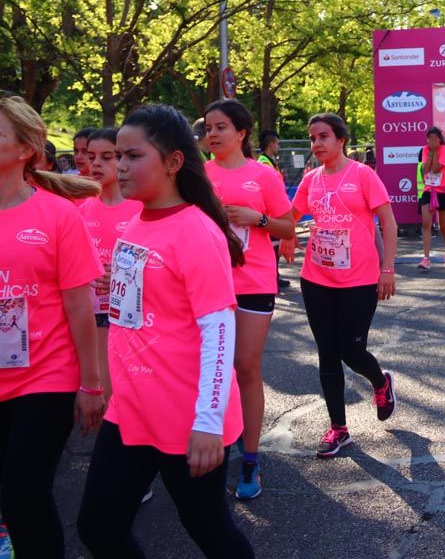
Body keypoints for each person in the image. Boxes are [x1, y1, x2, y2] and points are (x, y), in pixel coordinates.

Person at [76, 104, 255, 558]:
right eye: (117, 155)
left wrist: (208, 424)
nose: (118, 166)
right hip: (131, 410)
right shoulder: (135, 222)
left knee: (209, 530)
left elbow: (218, 330)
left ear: (173, 163)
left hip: (187, 418)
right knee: (98, 527)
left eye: (132, 156)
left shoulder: (196, 231)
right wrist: (117, 279)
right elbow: (143, 304)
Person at [0, 96, 103, 559]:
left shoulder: (58, 215)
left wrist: (91, 383)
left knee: (23, 491)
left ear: (25, 150)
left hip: (45, 375)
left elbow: (80, 306)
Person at [279, 113, 398, 457]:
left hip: (360, 279)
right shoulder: (311, 180)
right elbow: (292, 215)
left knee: (351, 349)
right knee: (327, 352)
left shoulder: (362, 174)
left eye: (323, 137)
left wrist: (387, 268)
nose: (317, 144)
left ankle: (380, 381)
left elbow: (388, 223)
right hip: (316, 278)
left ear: (341, 139)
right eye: (312, 138)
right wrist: (286, 235)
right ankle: (338, 428)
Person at [203, 99, 295, 500]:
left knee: (245, 367)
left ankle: (251, 458)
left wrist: (253, 219)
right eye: (208, 127)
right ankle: (213, 444)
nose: (212, 134)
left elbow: (289, 227)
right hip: (206, 281)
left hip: (254, 280)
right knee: (208, 370)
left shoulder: (264, 175)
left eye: (220, 127)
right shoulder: (196, 175)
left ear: (241, 133)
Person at [79, 128, 143, 404]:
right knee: (100, 390)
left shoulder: (139, 209)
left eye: (107, 157)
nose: (96, 164)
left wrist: (118, 274)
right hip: (88, 312)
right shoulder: (80, 208)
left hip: (129, 315)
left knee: (122, 390)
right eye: (91, 156)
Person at [418, 127, 445, 269]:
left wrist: (435, 151)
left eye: (434, 138)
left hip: (443, 191)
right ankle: (426, 258)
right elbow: (425, 170)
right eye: (429, 138)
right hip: (429, 189)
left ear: (439, 139)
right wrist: (430, 153)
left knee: (443, 227)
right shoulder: (425, 149)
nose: (431, 141)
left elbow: (435, 169)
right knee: (426, 223)